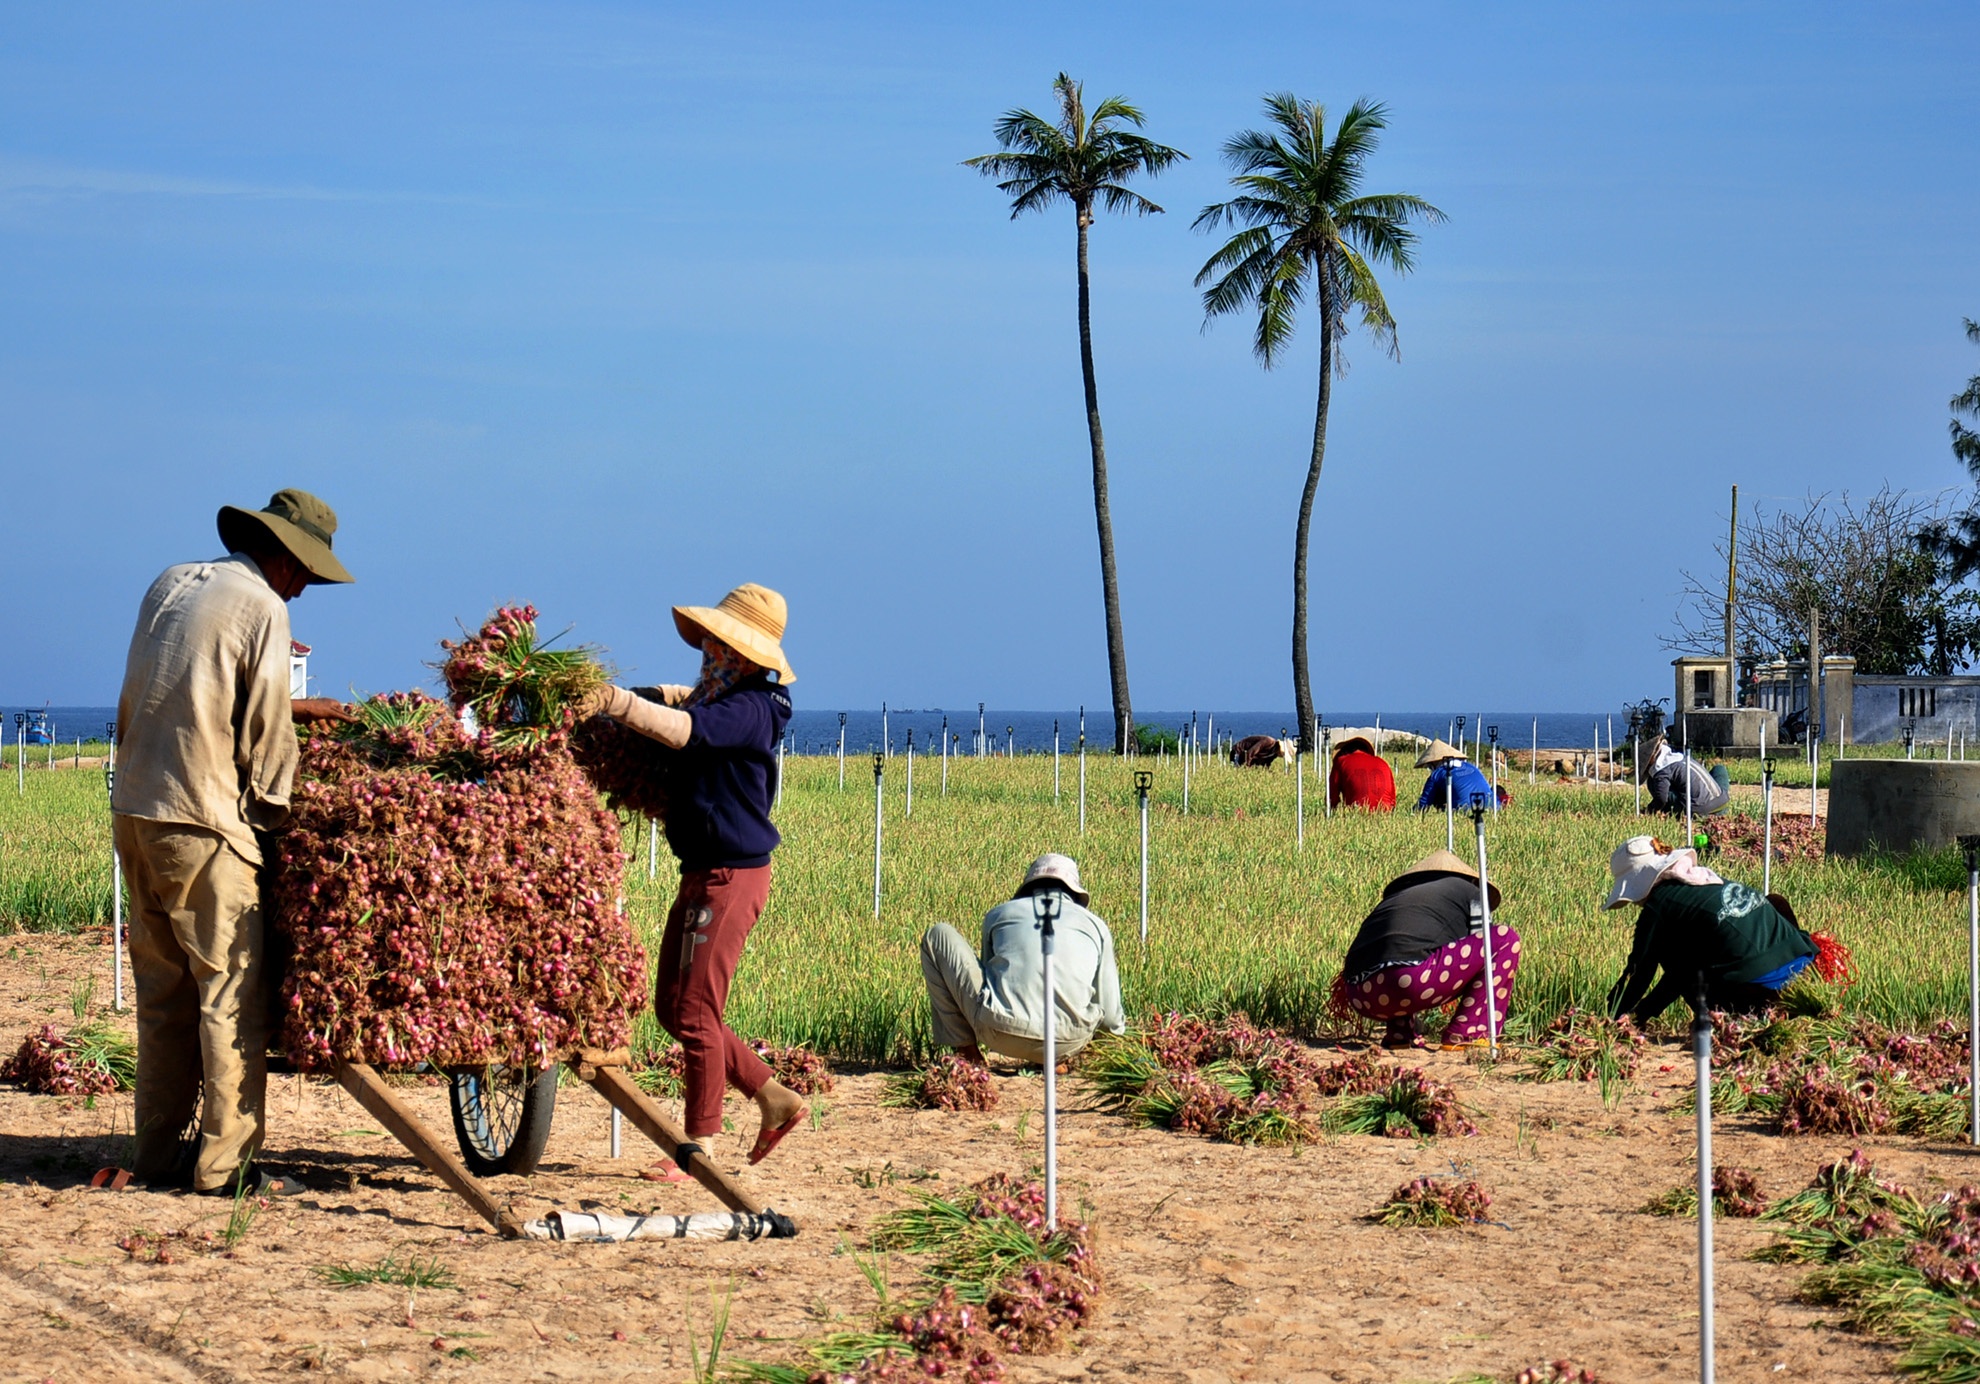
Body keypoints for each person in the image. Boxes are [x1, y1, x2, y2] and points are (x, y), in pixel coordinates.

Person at [113, 489, 356, 1195]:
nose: (305, 586)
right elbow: (266, 740)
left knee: (164, 998)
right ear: (282, 556)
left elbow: (186, 688)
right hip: (202, 818)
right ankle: (227, 1172)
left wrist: (301, 706)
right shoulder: (264, 609)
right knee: (230, 995)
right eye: (305, 571)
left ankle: (157, 1160)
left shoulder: (173, 582)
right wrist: (280, 817)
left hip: (136, 808)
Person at [585, 583, 810, 1165]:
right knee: (670, 1007)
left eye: (715, 642)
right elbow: (685, 699)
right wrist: (628, 694)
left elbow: (688, 731)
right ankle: (774, 1096)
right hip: (704, 870)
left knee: (696, 1013)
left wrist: (612, 700)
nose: (706, 649)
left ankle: (700, 1145)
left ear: (740, 652)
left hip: (731, 877)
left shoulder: (751, 708)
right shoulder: (728, 694)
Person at [920, 854, 1125, 1068]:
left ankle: (968, 1054)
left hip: (999, 1032)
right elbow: (1111, 1018)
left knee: (938, 935)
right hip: (1070, 1042)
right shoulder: (1096, 926)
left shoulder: (999, 914)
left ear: (1028, 886)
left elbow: (990, 976)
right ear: (1074, 891)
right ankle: (1053, 1060)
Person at [1602, 834, 1820, 1023]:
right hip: (1806, 973)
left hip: (1760, 989)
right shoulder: (1705, 881)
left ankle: (1740, 1018)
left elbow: (1640, 973)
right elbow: (1680, 973)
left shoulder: (1658, 906)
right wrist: (1644, 1011)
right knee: (1689, 955)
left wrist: (1614, 1015)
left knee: (1677, 956)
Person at [1333, 850, 1519, 1050]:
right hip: (1409, 983)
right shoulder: (1472, 891)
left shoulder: (1401, 898)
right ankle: (1469, 1032)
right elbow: (1481, 940)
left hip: (1359, 994)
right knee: (1504, 939)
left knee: (1404, 955)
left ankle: (1399, 1034)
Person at [1639, 737, 1731, 817]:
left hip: (1700, 810)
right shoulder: (1680, 757)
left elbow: (1662, 798)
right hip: (1722, 801)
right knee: (1719, 768)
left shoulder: (1661, 770)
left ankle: (1671, 809)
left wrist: (1649, 810)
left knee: (1653, 784)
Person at [1413, 739, 1502, 812]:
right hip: (1494, 805)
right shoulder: (1471, 766)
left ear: (1433, 763)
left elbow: (1424, 803)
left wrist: (1414, 811)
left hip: (1466, 809)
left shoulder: (1437, 773)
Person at [1329, 736, 1396, 812]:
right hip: (1385, 813)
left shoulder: (1341, 761)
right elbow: (1393, 801)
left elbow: (1331, 797)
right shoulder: (1383, 763)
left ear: (1344, 752)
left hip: (1357, 811)